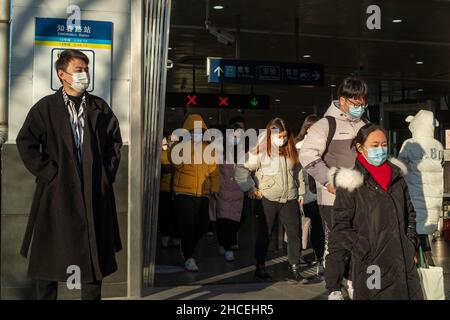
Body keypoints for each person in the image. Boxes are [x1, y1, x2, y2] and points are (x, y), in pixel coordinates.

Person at [16, 49, 123, 300]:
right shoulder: (46, 108)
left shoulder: (99, 107)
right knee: (49, 260)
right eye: (78, 69)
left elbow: (114, 144)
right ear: (62, 74)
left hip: (92, 192)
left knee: (92, 258)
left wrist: (104, 175)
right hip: (56, 194)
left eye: (85, 69)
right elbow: (26, 141)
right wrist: (49, 173)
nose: (84, 74)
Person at [327, 123, 423, 300]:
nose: (381, 149)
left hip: (403, 261)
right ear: (360, 147)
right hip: (373, 265)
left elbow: (410, 214)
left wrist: (411, 244)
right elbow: (341, 226)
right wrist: (364, 249)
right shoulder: (351, 181)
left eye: (384, 144)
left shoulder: (397, 176)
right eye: (375, 145)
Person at [299, 76, 369, 299]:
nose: (359, 107)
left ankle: (352, 279)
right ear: (343, 99)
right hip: (333, 197)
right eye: (355, 103)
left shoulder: (365, 125)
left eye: (362, 103)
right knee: (339, 242)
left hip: (362, 196)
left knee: (360, 240)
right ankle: (334, 288)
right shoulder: (325, 124)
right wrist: (328, 179)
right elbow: (308, 155)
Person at [235, 118, 308, 284]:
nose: (281, 139)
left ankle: (294, 267)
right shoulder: (260, 151)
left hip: (290, 197)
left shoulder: (291, 150)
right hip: (267, 198)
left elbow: (299, 172)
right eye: (278, 136)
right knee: (265, 234)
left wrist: (301, 193)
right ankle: (260, 267)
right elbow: (241, 167)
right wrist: (250, 188)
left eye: (284, 136)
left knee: (294, 233)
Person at [170, 114, 220, 272]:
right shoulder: (181, 147)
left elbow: (214, 171)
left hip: (203, 193)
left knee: (203, 225)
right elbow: (175, 162)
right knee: (188, 225)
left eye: (199, 130)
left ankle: (187, 246)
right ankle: (188, 256)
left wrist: (215, 188)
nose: (196, 133)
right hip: (184, 192)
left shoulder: (208, 149)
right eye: (193, 130)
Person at [398, 110, 444, 266]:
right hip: (434, 198)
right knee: (423, 232)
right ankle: (428, 263)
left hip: (414, 196)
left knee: (414, 231)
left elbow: (400, 168)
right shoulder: (438, 145)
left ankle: (419, 269)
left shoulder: (409, 144)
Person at [295, 114, 325, 277]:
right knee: (301, 227)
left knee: (318, 227)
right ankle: (297, 256)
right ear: (306, 129)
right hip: (303, 193)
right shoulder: (298, 146)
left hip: (319, 193)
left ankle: (320, 257)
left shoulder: (324, 146)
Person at [214, 124, 245, 261]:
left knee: (236, 221)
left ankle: (224, 242)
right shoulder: (219, 152)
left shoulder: (244, 153)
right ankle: (227, 247)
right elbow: (214, 170)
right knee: (224, 220)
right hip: (223, 192)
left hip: (238, 193)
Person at [159, 134, 181, 248]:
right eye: (170, 140)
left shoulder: (180, 153)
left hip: (177, 188)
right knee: (164, 213)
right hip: (165, 188)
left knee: (176, 213)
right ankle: (165, 235)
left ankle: (176, 236)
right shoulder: (161, 153)